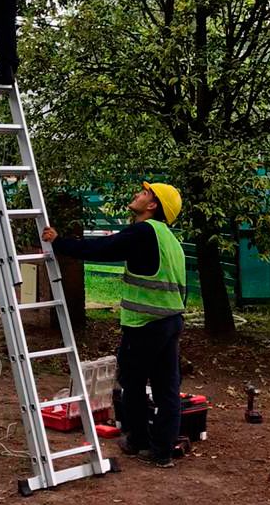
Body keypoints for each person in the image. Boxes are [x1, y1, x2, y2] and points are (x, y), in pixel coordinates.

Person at [42, 181, 186, 468]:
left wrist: (59, 242)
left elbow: (103, 248)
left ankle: (137, 441)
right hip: (171, 322)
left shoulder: (144, 231)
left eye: (144, 193)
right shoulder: (170, 239)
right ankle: (162, 452)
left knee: (132, 383)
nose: (137, 194)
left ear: (153, 205)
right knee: (166, 387)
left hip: (145, 324)